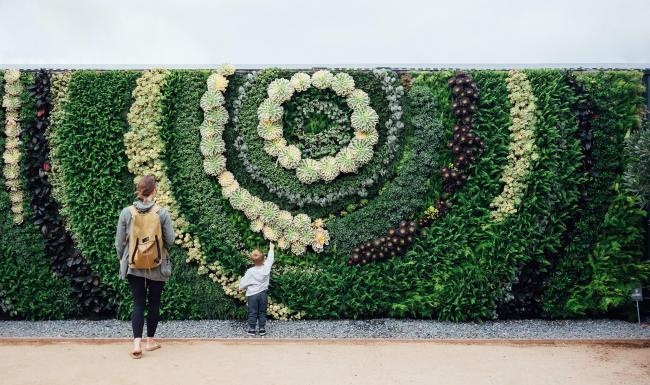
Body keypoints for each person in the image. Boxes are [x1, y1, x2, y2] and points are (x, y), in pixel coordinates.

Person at [115, 175, 174, 358]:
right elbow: (170, 240)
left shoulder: (127, 212)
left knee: (138, 303)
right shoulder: (161, 213)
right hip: (157, 265)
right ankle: (150, 341)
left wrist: (122, 259)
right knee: (154, 303)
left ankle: (136, 344)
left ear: (139, 190)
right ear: (154, 190)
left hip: (134, 264)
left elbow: (119, 242)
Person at [239, 242, 275, 336]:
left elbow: (244, 281)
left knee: (252, 312)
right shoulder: (266, 268)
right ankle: (262, 329)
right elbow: (270, 259)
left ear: (252, 261)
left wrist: (241, 287)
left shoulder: (250, 271)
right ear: (264, 259)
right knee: (262, 312)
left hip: (252, 295)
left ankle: (252, 329)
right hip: (263, 294)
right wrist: (271, 248)